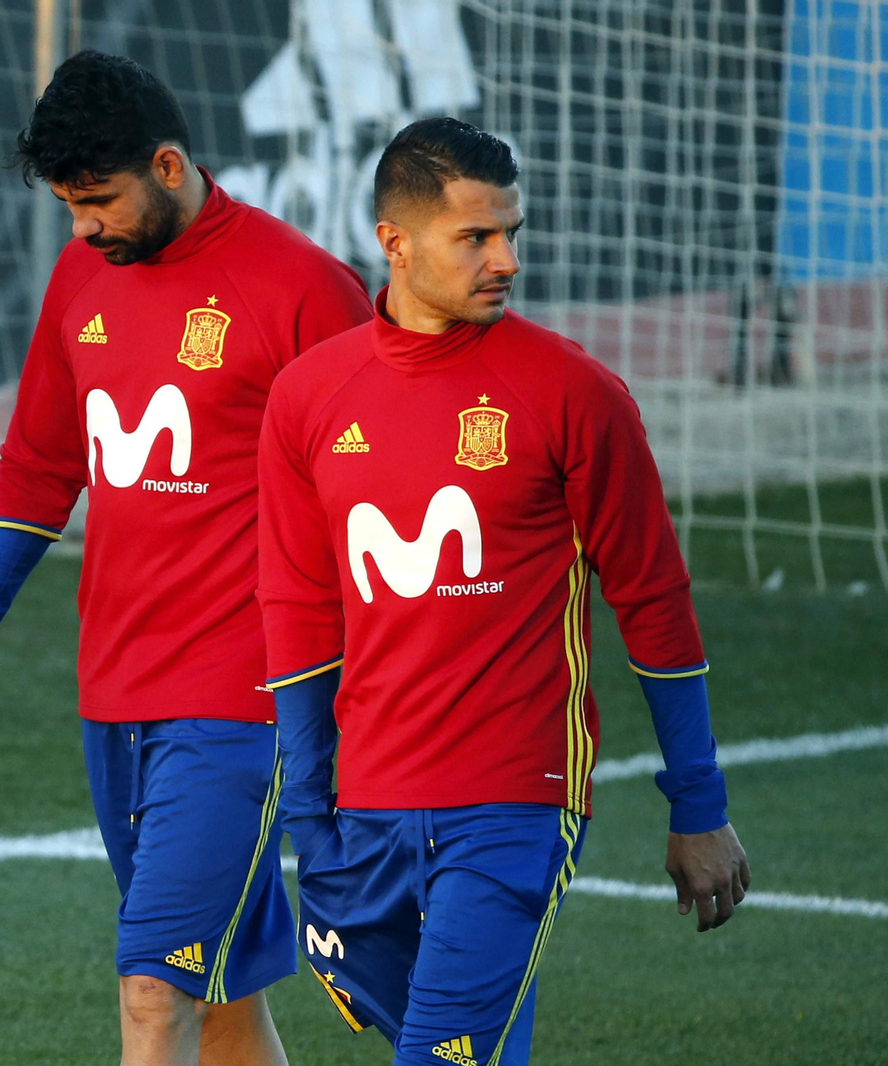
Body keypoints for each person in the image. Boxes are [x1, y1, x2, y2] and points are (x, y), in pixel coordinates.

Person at [256, 117, 752, 1066]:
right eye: (476, 237)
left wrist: (698, 802)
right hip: (365, 805)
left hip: (515, 799)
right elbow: (300, 612)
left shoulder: (573, 392)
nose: (507, 260)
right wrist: (308, 817)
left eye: (511, 233)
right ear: (394, 244)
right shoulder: (308, 397)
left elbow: (654, 601)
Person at [0, 51, 373, 1066]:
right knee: (220, 1003)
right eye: (69, 205)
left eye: (98, 200)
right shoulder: (86, 273)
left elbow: (379, 498)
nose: (81, 226)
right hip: (114, 692)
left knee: (149, 991)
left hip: (243, 699)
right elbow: (38, 472)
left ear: (168, 164)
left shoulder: (303, 290)